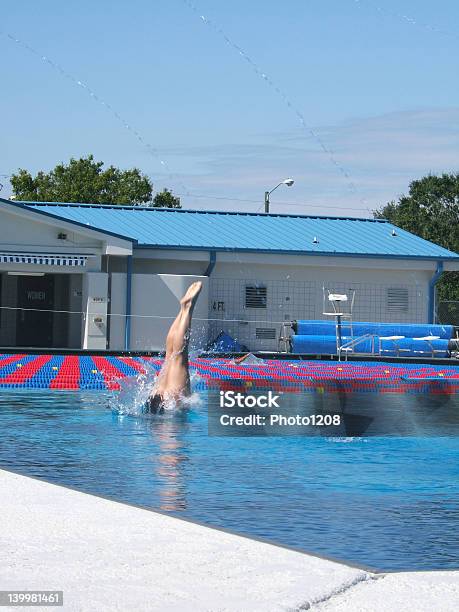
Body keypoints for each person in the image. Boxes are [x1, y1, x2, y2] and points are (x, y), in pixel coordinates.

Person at [146, 281, 202, 412]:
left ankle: (187, 309)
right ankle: (182, 311)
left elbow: (167, 431)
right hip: (155, 399)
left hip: (168, 404)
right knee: (170, 355)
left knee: (179, 357)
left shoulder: (166, 430)